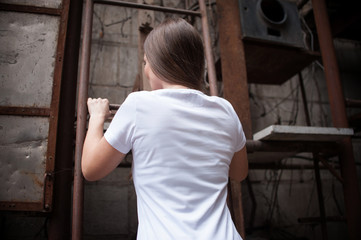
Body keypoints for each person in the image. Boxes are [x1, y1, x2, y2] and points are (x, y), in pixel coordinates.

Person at [82, 17, 248, 240]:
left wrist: (96, 117)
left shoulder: (138, 105)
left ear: (158, 64)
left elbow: (91, 169)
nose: (146, 70)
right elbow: (239, 173)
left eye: (145, 62)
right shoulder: (226, 110)